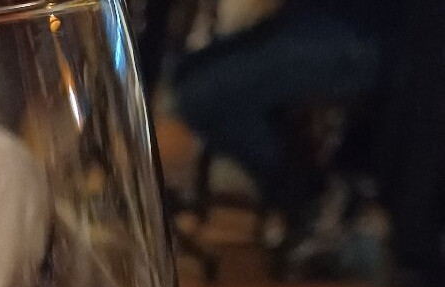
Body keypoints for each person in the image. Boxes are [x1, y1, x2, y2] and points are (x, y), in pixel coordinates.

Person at [171, 1, 410, 272]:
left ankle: (314, 192)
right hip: (316, 26)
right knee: (189, 75)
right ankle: (313, 194)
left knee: (199, 94)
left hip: (355, 35)